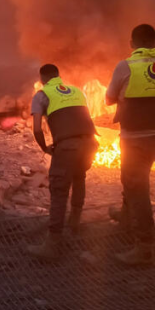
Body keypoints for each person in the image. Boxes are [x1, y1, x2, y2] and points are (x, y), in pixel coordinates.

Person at [105, 24, 155, 265]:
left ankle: (144, 247)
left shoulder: (125, 66)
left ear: (132, 43)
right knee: (131, 178)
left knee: (137, 186)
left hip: (134, 137)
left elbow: (108, 99)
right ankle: (127, 216)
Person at [26, 64, 98, 260]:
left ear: (42, 79)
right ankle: (74, 223)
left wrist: (44, 148)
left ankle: (52, 244)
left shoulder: (41, 95)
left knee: (58, 190)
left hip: (68, 146)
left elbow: (38, 129)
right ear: (59, 76)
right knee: (79, 176)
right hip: (90, 142)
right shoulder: (76, 90)